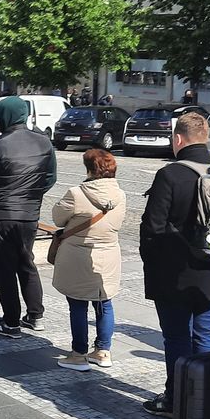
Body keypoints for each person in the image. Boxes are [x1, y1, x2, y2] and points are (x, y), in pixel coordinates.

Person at [138, 113, 210, 416]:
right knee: (206, 335)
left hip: (174, 274)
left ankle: (177, 399)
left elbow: (153, 228)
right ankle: (209, 398)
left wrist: (152, 263)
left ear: (178, 139)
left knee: (176, 338)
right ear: (206, 137)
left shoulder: (170, 174)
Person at [0, 96, 56, 337]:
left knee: (6, 268)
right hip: (29, 214)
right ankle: (35, 315)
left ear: (3, 116)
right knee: (26, 262)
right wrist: (31, 196)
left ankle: (10, 322)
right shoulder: (44, 142)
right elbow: (50, 178)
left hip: (1, 214)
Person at [53, 149, 127, 371]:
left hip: (79, 256)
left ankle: (78, 354)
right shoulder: (121, 195)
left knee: (77, 303)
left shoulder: (76, 193)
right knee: (104, 301)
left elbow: (58, 218)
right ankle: (103, 351)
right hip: (109, 254)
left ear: (89, 169)